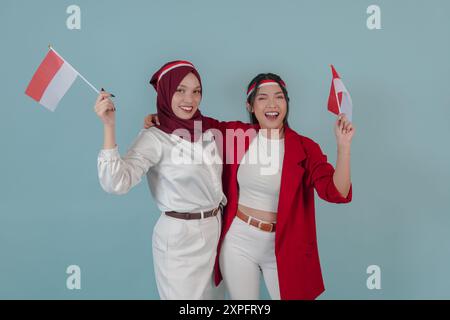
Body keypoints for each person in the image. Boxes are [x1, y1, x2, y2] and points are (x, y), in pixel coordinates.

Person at [143, 72, 355, 300]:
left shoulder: (305, 147)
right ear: (251, 106)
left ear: (286, 103)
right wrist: (162, 117)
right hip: (238, 241)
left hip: (284, 244)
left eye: (279, 97)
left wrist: (343, 147)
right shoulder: (237, 135)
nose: (272, 104)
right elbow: (195, 122)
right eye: (263, 98)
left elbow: (336, 192)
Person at [95, 60, 226, 300]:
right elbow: (116, 182)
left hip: (216, 231)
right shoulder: (154, 138)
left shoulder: (207, 129)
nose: (190, 99)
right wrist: (109, 126)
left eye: (196, 91)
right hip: (180, 240)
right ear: (166, 91)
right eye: (180, 90)